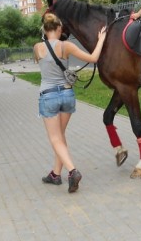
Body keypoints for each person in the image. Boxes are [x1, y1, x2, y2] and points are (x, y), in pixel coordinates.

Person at [34, 13, 107, 192]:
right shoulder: (67, 45)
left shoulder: (37, 48)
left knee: (55, 138)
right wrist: (101, 39)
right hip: (67, 95)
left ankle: (72, 171)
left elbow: (42, 63)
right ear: (59, 28)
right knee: (61, 136)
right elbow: (93, 59)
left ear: (44, 30)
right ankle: (55, 175)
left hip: (49, 96)